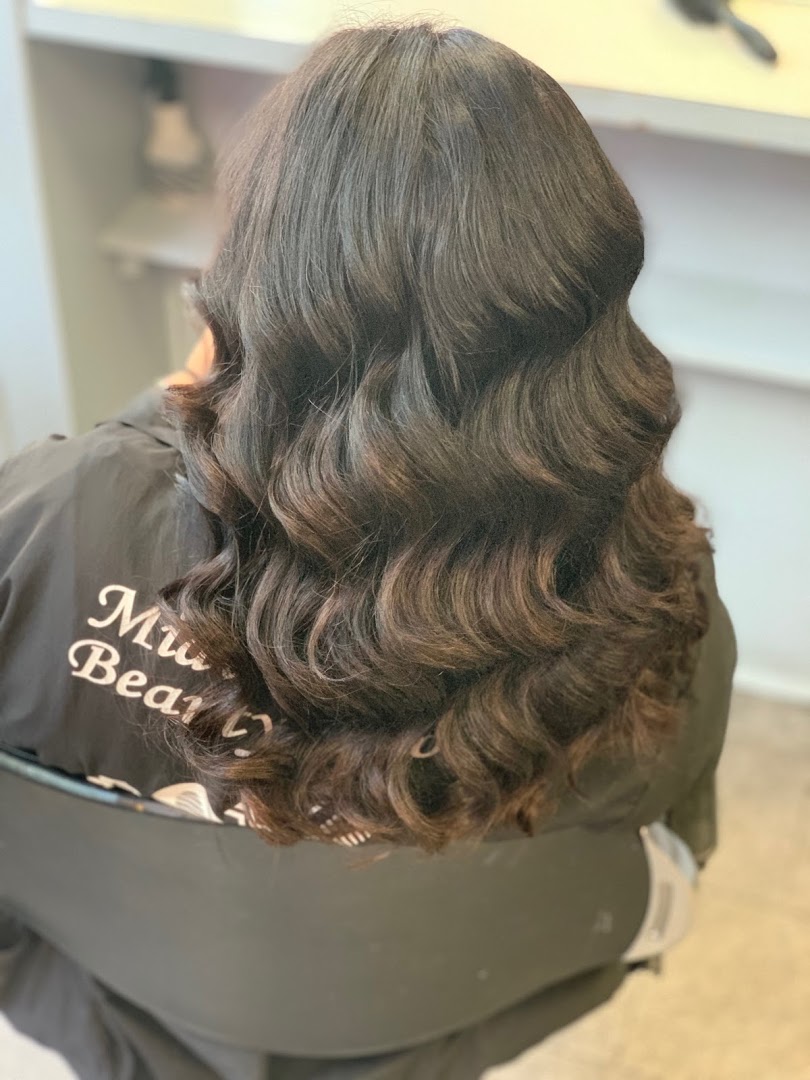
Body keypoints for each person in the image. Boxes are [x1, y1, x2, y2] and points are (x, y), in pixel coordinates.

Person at [0, 21, 735, 1079]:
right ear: (581, 315)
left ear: (250, 285)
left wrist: (162, 424)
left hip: (127, 1000)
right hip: (447, 1007)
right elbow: (673, 829)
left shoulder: (56, 521)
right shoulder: (653, 594)